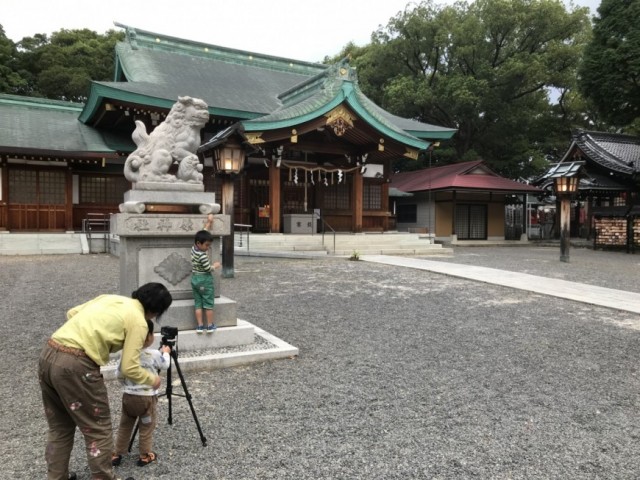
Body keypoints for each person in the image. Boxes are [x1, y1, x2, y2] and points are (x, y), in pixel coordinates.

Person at [38, 282, 172, 480]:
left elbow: (72, 313)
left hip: (49, 353)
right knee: (97, 428)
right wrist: (152, 379)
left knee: (60, 426)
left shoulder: (111, 298)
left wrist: (93, 335)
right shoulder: (139, 321)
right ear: (156, 311)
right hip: (77, 366)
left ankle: (57, 477)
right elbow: (129, 367)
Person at [112, 322, 171, 468]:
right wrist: (166, 353)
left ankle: (116, 454)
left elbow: (118, 374)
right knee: (146, 426)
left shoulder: (125, 354)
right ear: (149, 337)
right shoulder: (154, 354)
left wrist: (127, 386)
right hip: (146, 400)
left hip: (128, 398)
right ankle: (144, 455)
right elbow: (165, 365)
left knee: (125, 425)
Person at [191, 216, 221, 333]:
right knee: (208, 303)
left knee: (198, 303)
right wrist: (215, 266)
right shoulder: (202, 255)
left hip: (195, 279)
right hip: (204, 280)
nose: (208, 248)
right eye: (207, 245)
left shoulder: (194, 249)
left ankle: (199, 326)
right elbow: (208, 268)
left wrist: (208, 223)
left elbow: (202, 233)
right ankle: (209, 326)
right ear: (199, 243)